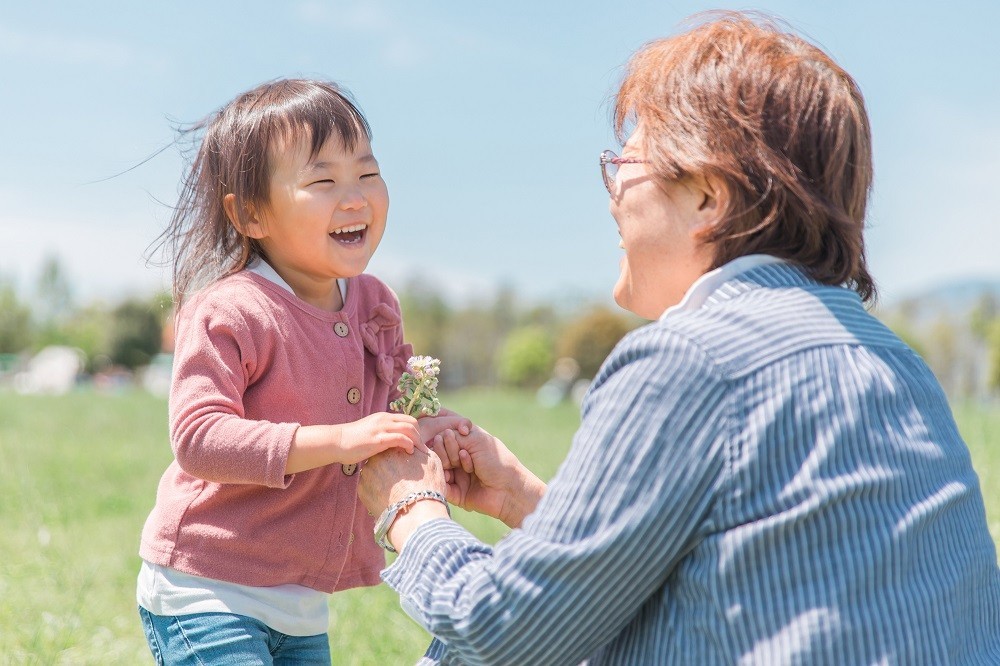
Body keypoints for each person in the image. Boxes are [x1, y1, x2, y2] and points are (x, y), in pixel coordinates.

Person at [357, 12, 1000, 665]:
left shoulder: (694, 359)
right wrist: (530, 502)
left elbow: (506, 633)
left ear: (707, 196)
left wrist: (411, 508)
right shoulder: (900, 364)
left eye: (625, 162)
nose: (613, 192)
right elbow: (757, 579)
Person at [136, 78, 464, 664]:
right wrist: (340, 439)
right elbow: (198, 439)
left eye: (368, 173)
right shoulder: (232, 308)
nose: (355, 198)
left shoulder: (374, 304)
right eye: (322, 181)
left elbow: (388, 414)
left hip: (301, 602)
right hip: (208, 587)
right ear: (251, 213)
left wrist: (432, 431)